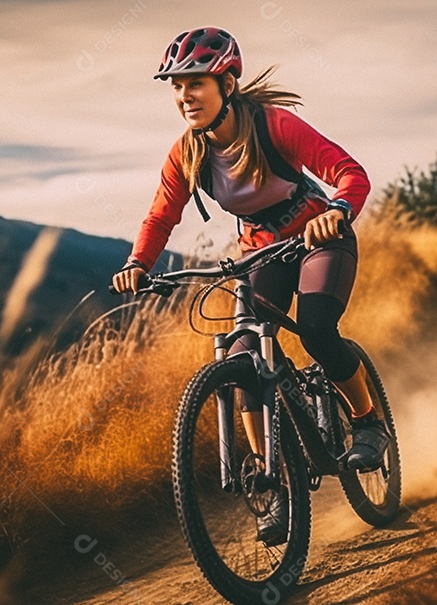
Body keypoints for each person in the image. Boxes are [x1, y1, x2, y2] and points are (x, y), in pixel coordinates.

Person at [112, 26, 388, 546]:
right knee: (242, 355)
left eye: (195, 82)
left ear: (227, 83)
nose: (184, 95)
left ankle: (367, 422)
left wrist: (335, 212)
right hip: (260, 251)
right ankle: (271, 481)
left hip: (317, 238)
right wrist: (138, 263)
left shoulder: (274, 126)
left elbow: (351, 174)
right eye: (176, 86)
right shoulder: (187, 154)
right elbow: (160, 216)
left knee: (316, 329)